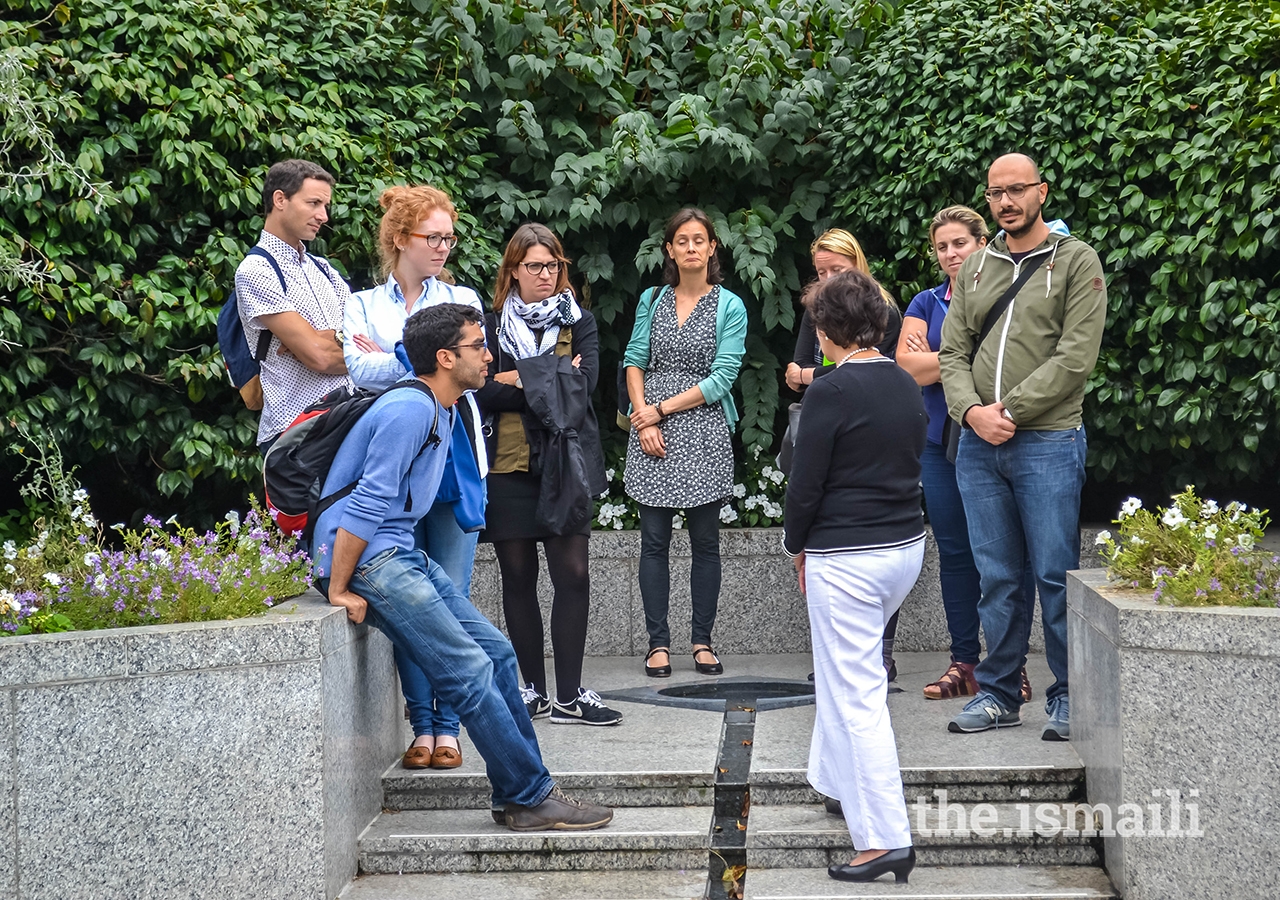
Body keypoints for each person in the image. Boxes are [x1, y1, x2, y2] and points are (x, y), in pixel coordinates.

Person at [313, 303, 613, 831]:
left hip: (396, 549)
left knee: (496, 654)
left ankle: (517, 791)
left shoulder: (442, 407)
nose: (489, 354)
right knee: (468, 670)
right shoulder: (410, 409)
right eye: (478, 346)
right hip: (369, 557)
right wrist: (337, 586)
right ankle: (528, 796)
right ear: (446, 358)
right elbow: (366, 502)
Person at [939, 153, 1107, 740]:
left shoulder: (1076, 260)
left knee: (1056, 575)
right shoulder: (975, 268)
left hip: (1049, 441)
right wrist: (970, 413)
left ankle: (1067, 695)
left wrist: (1005, 412)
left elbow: (1075, 357)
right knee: (997, 578)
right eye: (995, 193)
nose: (1006, 201)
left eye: (1017, 190)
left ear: (1042, 192)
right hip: (979, 447)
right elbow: (951, 354)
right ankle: (998, 694)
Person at [783, 269, 925, 885]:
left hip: (849, 556)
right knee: (845, 679)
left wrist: (796, 547)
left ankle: (885, 838)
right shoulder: (902, 380)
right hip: (903, 549)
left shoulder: (830, 391)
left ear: (824, 329)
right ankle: (837, 782)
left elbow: (804, 484)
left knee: (858, 692)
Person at [344, 185, 488, 769]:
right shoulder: (360, 302)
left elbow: (383, 363)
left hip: (454, 457)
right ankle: (420, 725)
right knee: (406, 601)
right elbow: (356, 368)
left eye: (449, 237)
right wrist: (419, 355)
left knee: (449, 596)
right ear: (400, 239)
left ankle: (449, 726)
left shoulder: (463, 296)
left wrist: (396, 353)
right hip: (395, 457)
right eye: (433, 237)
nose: (443, 248)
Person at [475, 224, 622, 727]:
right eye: (534, 266)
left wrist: (519, 377)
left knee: (573, 575)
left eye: (554, 265)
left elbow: (585, 387)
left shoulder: (580, 322)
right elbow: (482, 391)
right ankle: (534, 691)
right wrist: (553, 374)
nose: (545, 275)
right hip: (509, 466)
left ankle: (571, 694)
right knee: (517, 578)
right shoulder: (490, 325)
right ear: (513, 270)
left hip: (566, 465)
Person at [897, 206, 1035, 703]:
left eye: (960, 243)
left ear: (982, 243)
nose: (951, 254)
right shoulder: (927, 301)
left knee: (1008, 557)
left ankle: (1009, 665)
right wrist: (962, 354)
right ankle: (966, 663)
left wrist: (940, 357)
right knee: (955, 554)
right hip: (939, 443)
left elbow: (1019, 357)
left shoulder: (1006, 290)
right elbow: (907, 369)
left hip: (999, 436)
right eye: (942, 247)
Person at [623, 208, 748, 679]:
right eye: (682, 240)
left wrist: (662, 410)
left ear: (713, 248)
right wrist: (642, 418)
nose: (692, 247)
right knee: (653, 542)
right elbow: (634, 360)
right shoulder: (652, 299)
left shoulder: (729, 305)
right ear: (670, 249)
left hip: (701, 428)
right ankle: (658, 644)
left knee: (705, 543)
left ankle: (702, 641)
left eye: (700, 240)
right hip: (649, 429)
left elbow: (723, 378)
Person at [784, 228, 905, 680]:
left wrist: (814, 373)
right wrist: (814, 372)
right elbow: (794, 371)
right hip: (825, 417)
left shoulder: (883, 308)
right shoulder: (815, 308)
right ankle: (839, 655)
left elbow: (873, 365)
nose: (828, 278)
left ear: (858, 263)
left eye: (837, 269)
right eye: (820, 272)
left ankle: (881, 653)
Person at [235, 159, 352, 454]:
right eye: (314, 203)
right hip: (294, 432)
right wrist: (342, 346)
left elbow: (369, 335)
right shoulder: (256, 270)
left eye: (325, 206)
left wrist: (330, 339)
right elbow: (320, 357)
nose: (323, 216)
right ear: (280, 199)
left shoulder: (323, 268)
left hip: (345, 421)